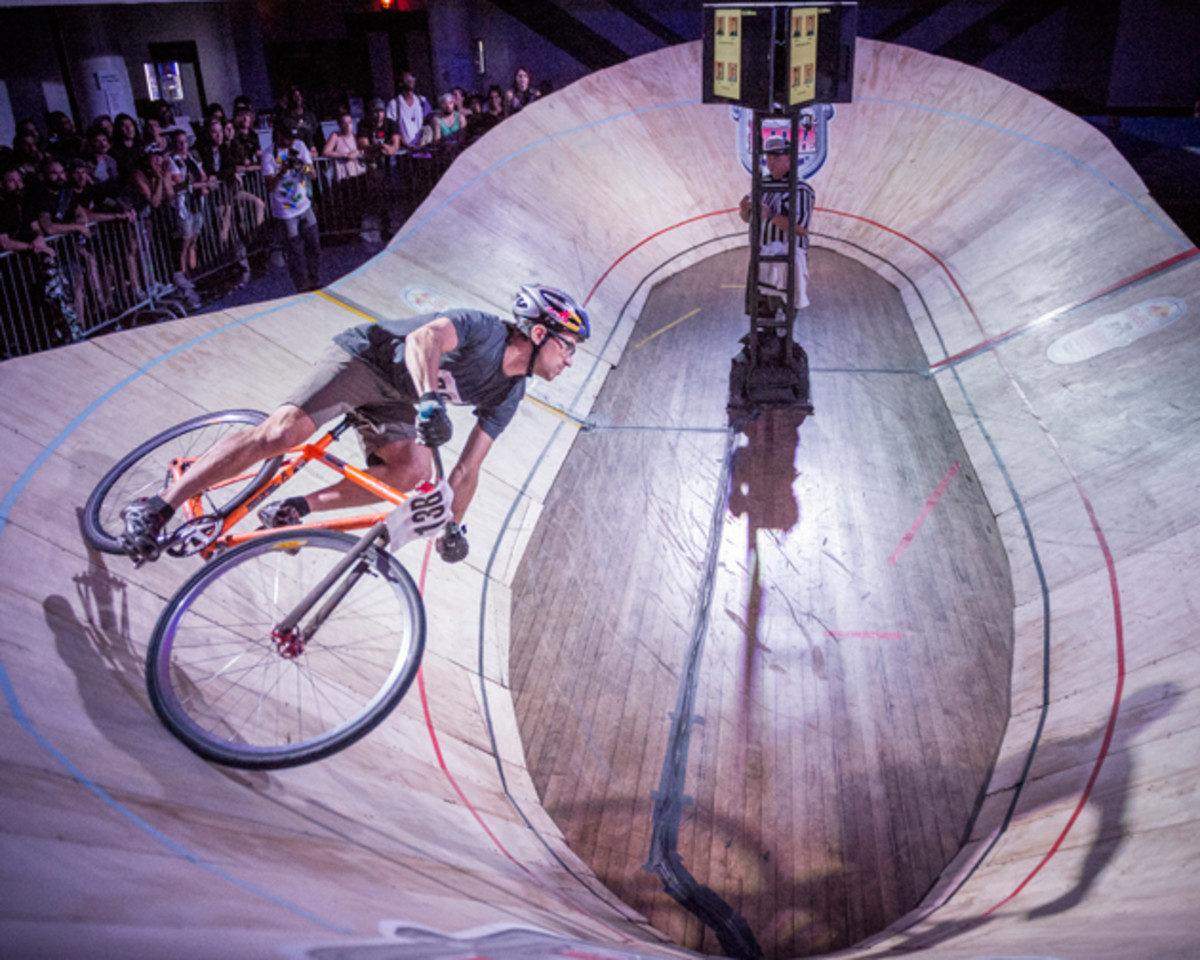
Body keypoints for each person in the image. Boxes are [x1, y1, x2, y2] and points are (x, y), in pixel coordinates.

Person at [118, 284, 591, 566]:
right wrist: (429, 399)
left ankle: (295, 507)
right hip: (365, 359)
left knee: (411, 472)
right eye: (567, 346)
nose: (568, 361)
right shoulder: (483, 329)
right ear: (537, 333)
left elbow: (466, 472)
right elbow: (424, 339)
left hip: (399, 401)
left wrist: (453, 527)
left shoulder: (509, 394)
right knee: (282, 434)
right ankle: (158, 507)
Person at [738, 134, 814, 314]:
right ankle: (761, 338)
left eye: (777, 157)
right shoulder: (763, 183)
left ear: (790, 159)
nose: (770, 162)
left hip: (785, 261)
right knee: (758, 310)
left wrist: (771, 214)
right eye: (768, 157)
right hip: (760, 255)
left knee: (781, 312)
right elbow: (749, 219)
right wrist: (744, 210)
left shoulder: (800, 188)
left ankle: (780, 340)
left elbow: (801, 229)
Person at [261, 123, 320, 293]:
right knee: (294, 251)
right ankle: (302, 285)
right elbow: (270, 186)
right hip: (286, 211)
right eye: (288, 138)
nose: (291, 142)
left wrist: (302, 166)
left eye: (293, 137)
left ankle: (315, 278)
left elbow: (313, 174)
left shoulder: (300, 146)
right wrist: (282, 170)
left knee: (313, 243)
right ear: (279, 134)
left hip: (303, 204)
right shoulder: (268, 155)